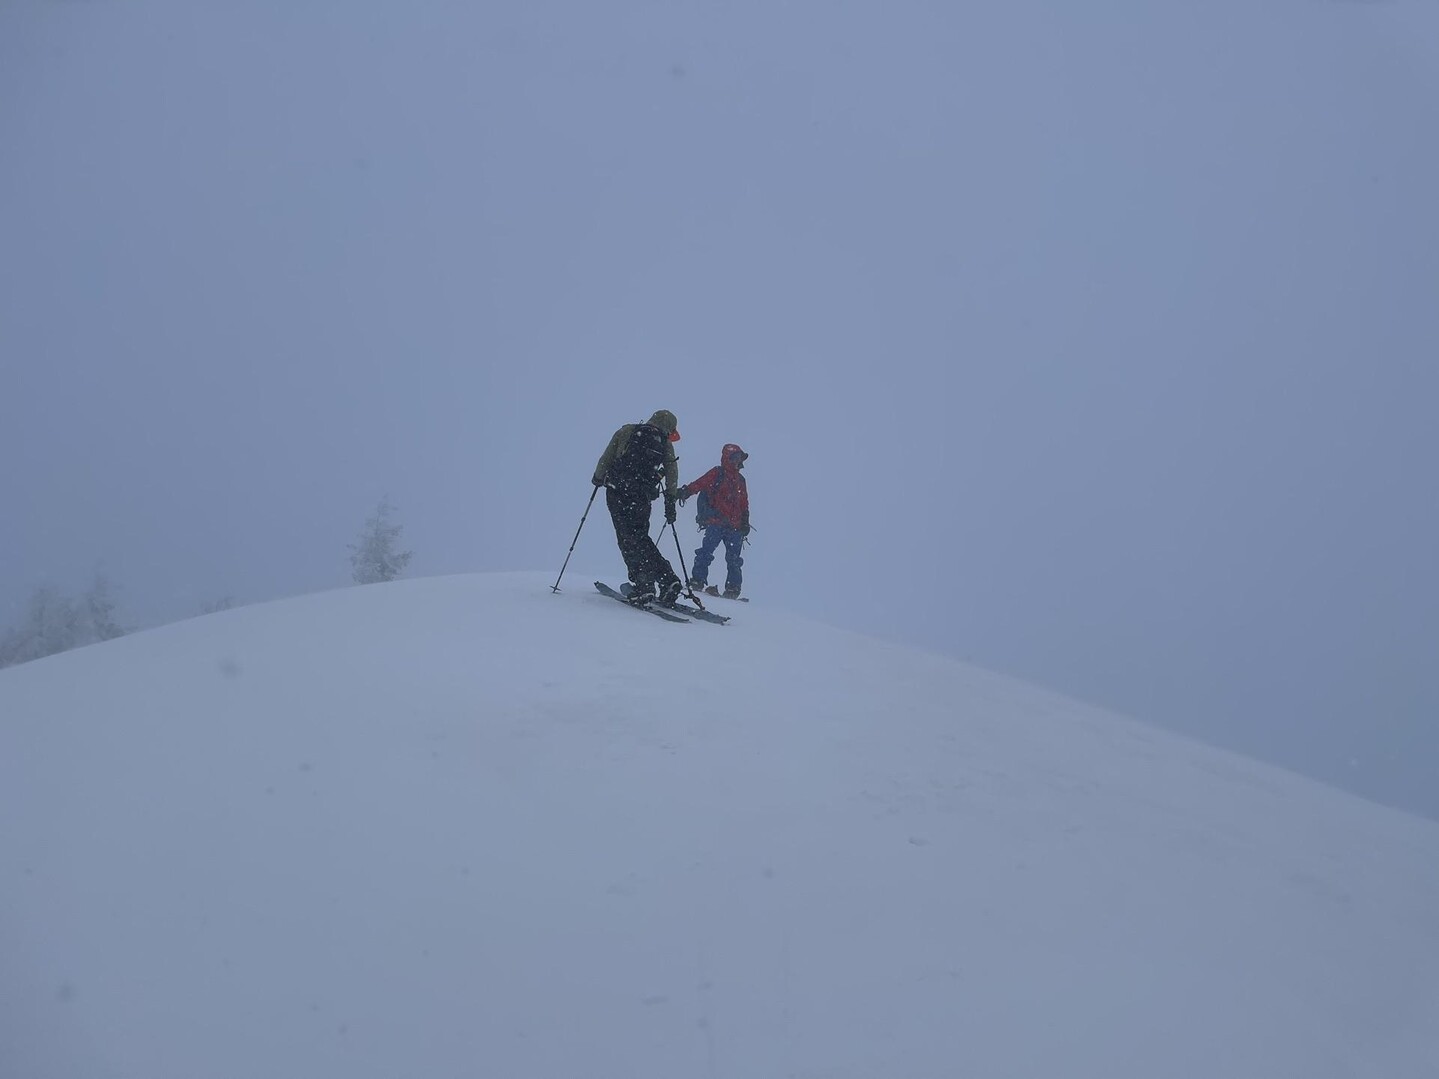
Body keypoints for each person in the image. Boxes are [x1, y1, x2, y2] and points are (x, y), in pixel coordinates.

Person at [592, 409, 684, 607]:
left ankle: (644, 586)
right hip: (642, 496)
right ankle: (668, 579)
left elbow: (607, 457)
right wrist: (670, 500)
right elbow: (672, 472)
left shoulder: (627, 431)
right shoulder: (664, 443)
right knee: (641, 538)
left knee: (627, 539)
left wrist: (598, 477)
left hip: (618, 492)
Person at [677, 443, 750, 599]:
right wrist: (686, 491)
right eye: (735, 457)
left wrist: (745, 520)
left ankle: (731, 588)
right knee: (709, 553)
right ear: (728, 458)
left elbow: (744, 503)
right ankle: (699, 581)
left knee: (730, 558)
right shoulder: (718, 473)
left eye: (739, 458)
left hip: (732, 526)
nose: (738, 461)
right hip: (718, 523)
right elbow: (700, 483)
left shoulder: (740, 480)